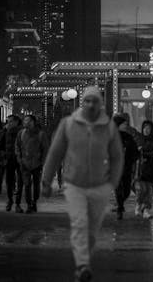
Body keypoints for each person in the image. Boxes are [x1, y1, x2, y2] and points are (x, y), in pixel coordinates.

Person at [41, 86, 123, 282]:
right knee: (79, 223)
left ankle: (85, 257)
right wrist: (46, 181)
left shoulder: (108, 127)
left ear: (100, 104)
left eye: (94, 101)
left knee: (93, 228)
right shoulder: (68, 124)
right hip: (74, 184)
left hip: (100, 185)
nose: (91, 104)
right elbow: (55, 153)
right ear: (82, 103)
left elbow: (117, 156)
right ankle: (82, 264)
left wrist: (113, 181)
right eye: (87, 100)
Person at [15, 115, 49, 213]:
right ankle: (29, 205)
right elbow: (17, 146)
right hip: (24, 164)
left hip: (37, 164)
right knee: (27, 184)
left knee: (36, 185)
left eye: (28, 121)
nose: (26, 122)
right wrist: (19, 159)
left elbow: (45, 149)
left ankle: (34, 202)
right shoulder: (21, 133)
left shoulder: (41, 134)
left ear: (34, 122)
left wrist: (42, 162)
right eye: (25, 121)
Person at [112, 115, 139, 220]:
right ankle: (119, 208)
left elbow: (134, 151)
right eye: (124, 124)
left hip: (127, 167)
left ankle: (120, 204)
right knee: (118, 188)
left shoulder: (128, 137)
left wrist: (134, 158)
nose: (126, 125)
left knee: (127, 190)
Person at [135, 120, 153, 219]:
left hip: (151, 169)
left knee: (149, 191)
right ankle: (138, 205)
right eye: (144, 128)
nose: (146, 130)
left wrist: (143, 153)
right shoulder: (139, 140)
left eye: (148, 128)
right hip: (141, 169)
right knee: (141, 189)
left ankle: (146, 210)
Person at [0, 115, 23, 212]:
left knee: (21, 182)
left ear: (17, 122)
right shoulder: (5, 132)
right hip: (9, 159)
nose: (8, 123)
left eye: (11, 121)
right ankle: (10, 201)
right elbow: (0, 145)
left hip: (20, 159)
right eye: (8, 121)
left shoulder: (22, 132)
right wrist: (3, 155)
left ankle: (17, 203)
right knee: (9, 181)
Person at [0, 121, 5, 194]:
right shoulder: (2, 132)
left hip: (1, 155)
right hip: (3, 155)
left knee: (0, 172)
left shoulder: (1, 133)